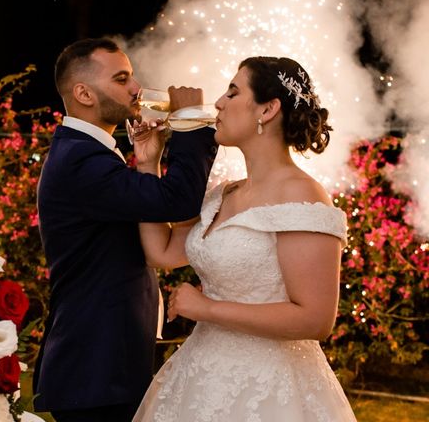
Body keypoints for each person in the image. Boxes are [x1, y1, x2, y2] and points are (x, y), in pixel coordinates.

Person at [132, 56, 357, 421]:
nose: (219, 102)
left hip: (270, 388)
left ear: (267, 109)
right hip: (200, 375)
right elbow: (163, 251)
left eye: (232, 92)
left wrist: (206, 309)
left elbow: (316, 319)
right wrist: (148, 165)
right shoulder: (223, 192)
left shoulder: (303, 195)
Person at [33, 37, 218, 422]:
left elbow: (154, 215)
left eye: (132, 77)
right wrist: (191, 120)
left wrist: (148, 165)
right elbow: (178, 200)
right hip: (95, 370)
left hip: (105, 366)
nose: (136, 89)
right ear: (83, 92)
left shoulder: (87, 152)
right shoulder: (81, 161)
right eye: (121, 79)